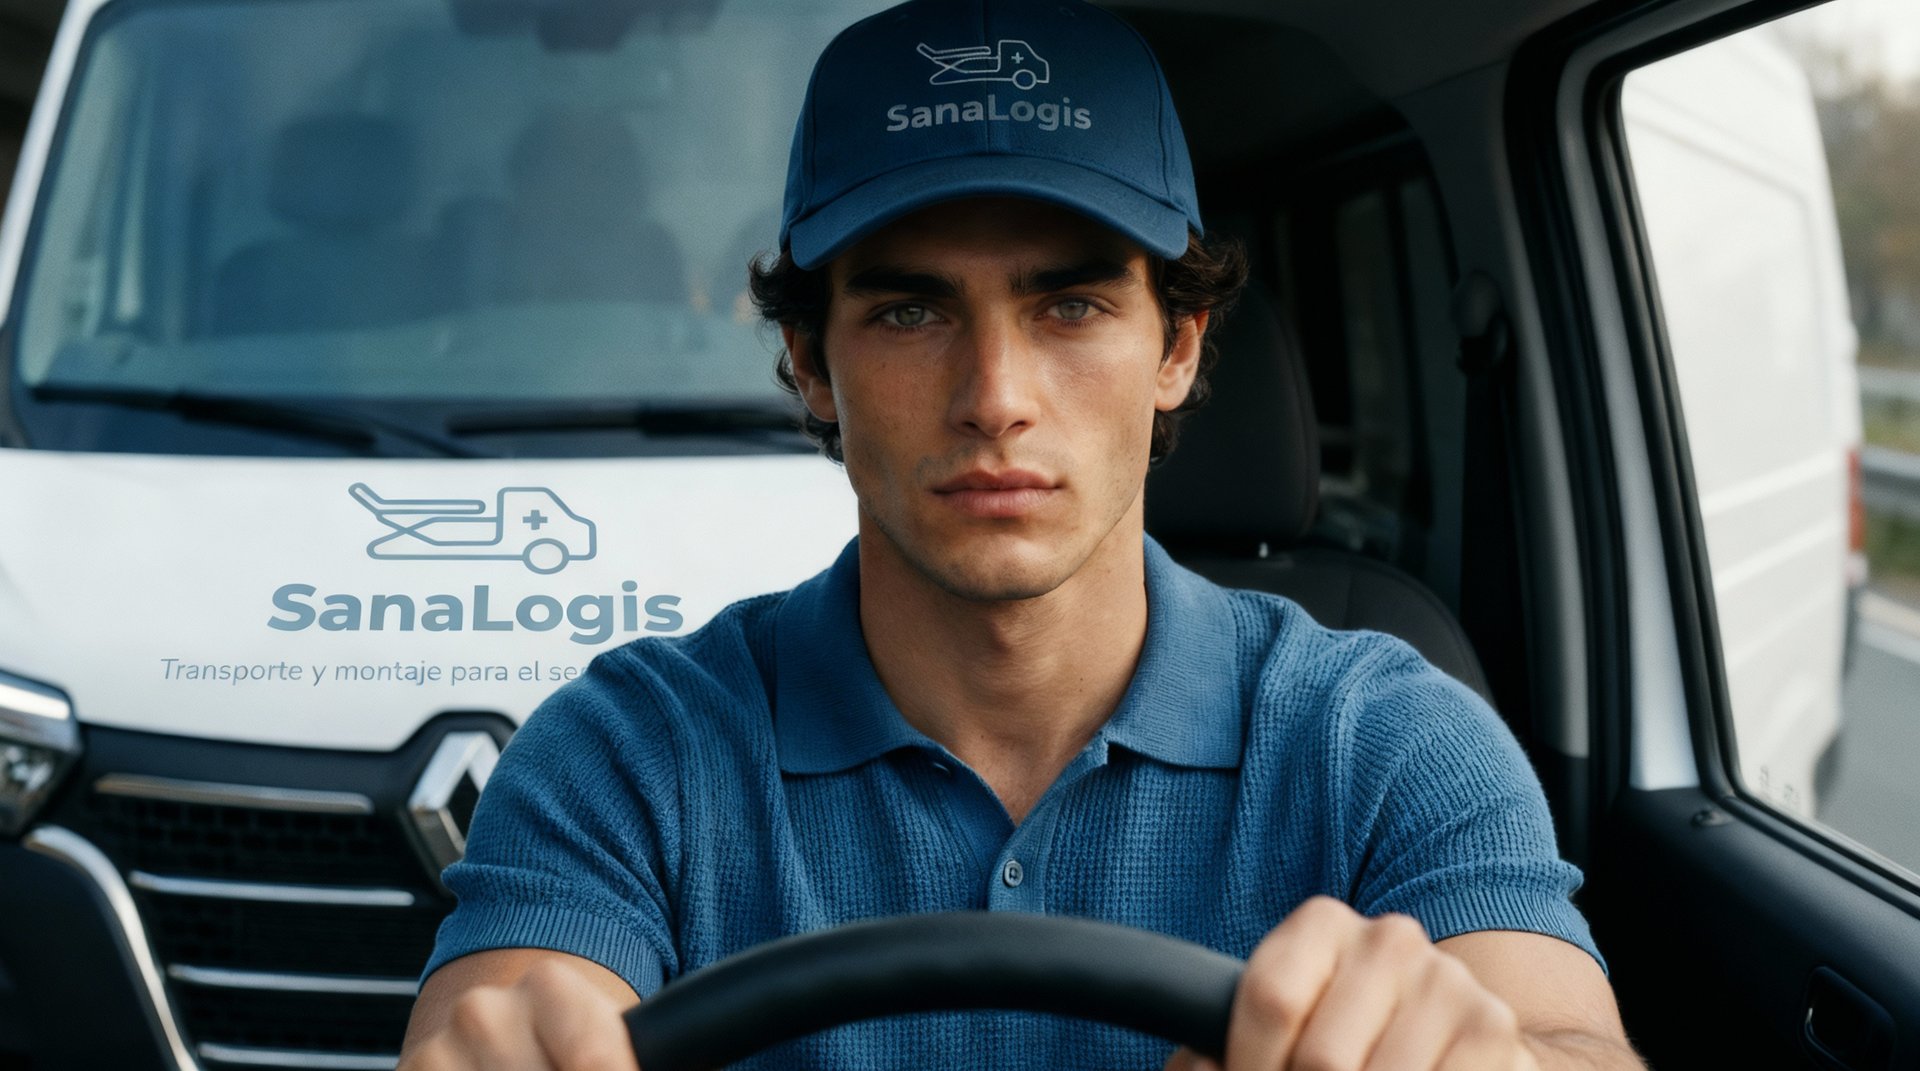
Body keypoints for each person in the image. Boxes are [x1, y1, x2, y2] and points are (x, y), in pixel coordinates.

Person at [398, 0, 1644, 1067]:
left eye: (1072, 305)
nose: (995, 396)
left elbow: (1567, 1041)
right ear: (811, 363)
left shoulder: (1384, 737)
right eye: (911, 312)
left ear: (1177, 347)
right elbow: (505, 1019)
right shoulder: (626, 753)